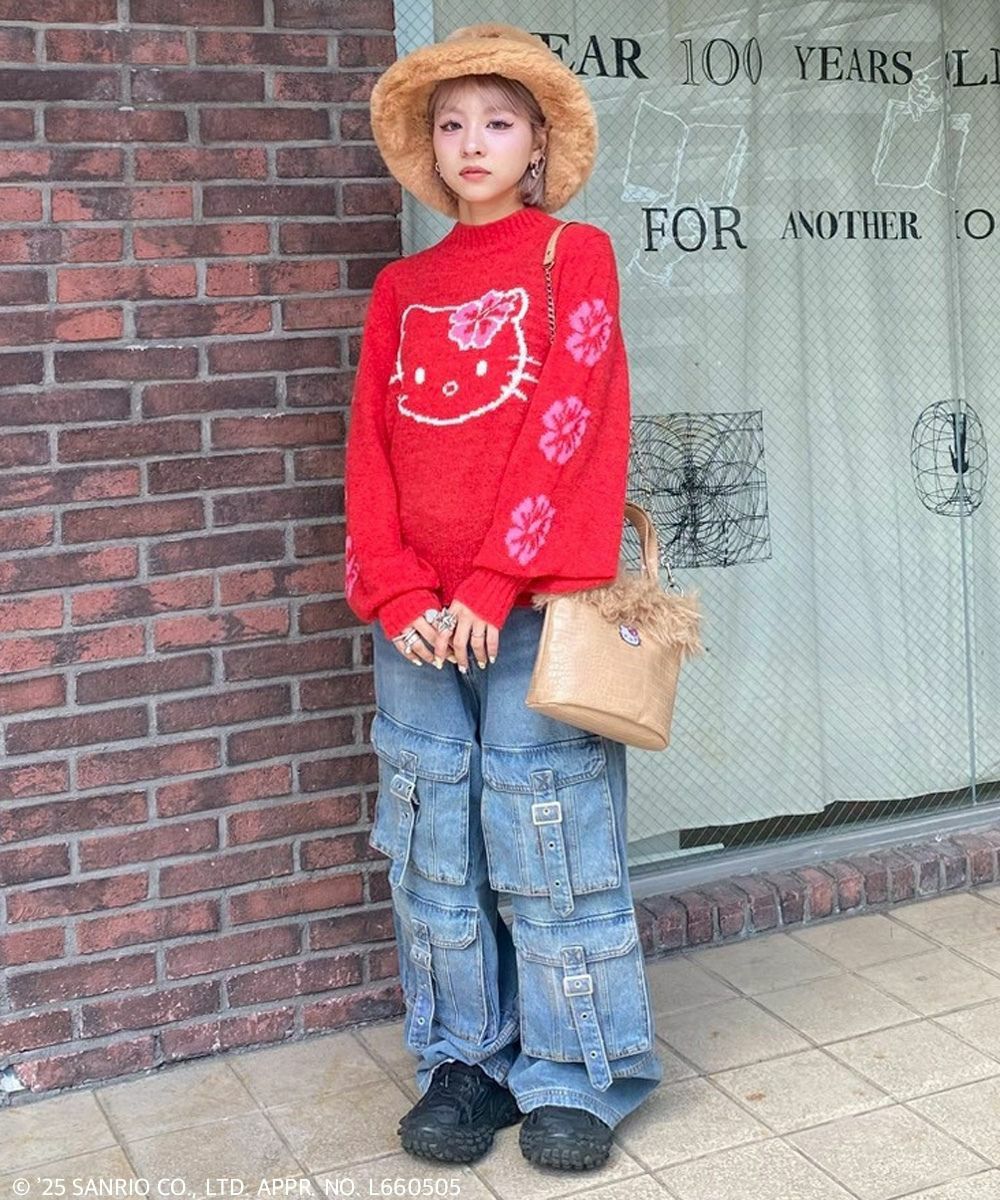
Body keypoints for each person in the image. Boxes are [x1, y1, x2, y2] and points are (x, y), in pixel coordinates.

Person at [345, 22, 662, 1172]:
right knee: (432, 841)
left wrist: (490, 581)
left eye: (496, 122)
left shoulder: (572, 255)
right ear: (429, 148)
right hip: (417, 624)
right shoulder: (402, 287)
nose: (471, 142)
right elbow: (369, 447)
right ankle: (464, 1064)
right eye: (450, 124)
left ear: (536, 145)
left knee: (549, 832)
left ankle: (580, 1071)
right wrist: (394, 590)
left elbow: (571, 422)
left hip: (532, 608)